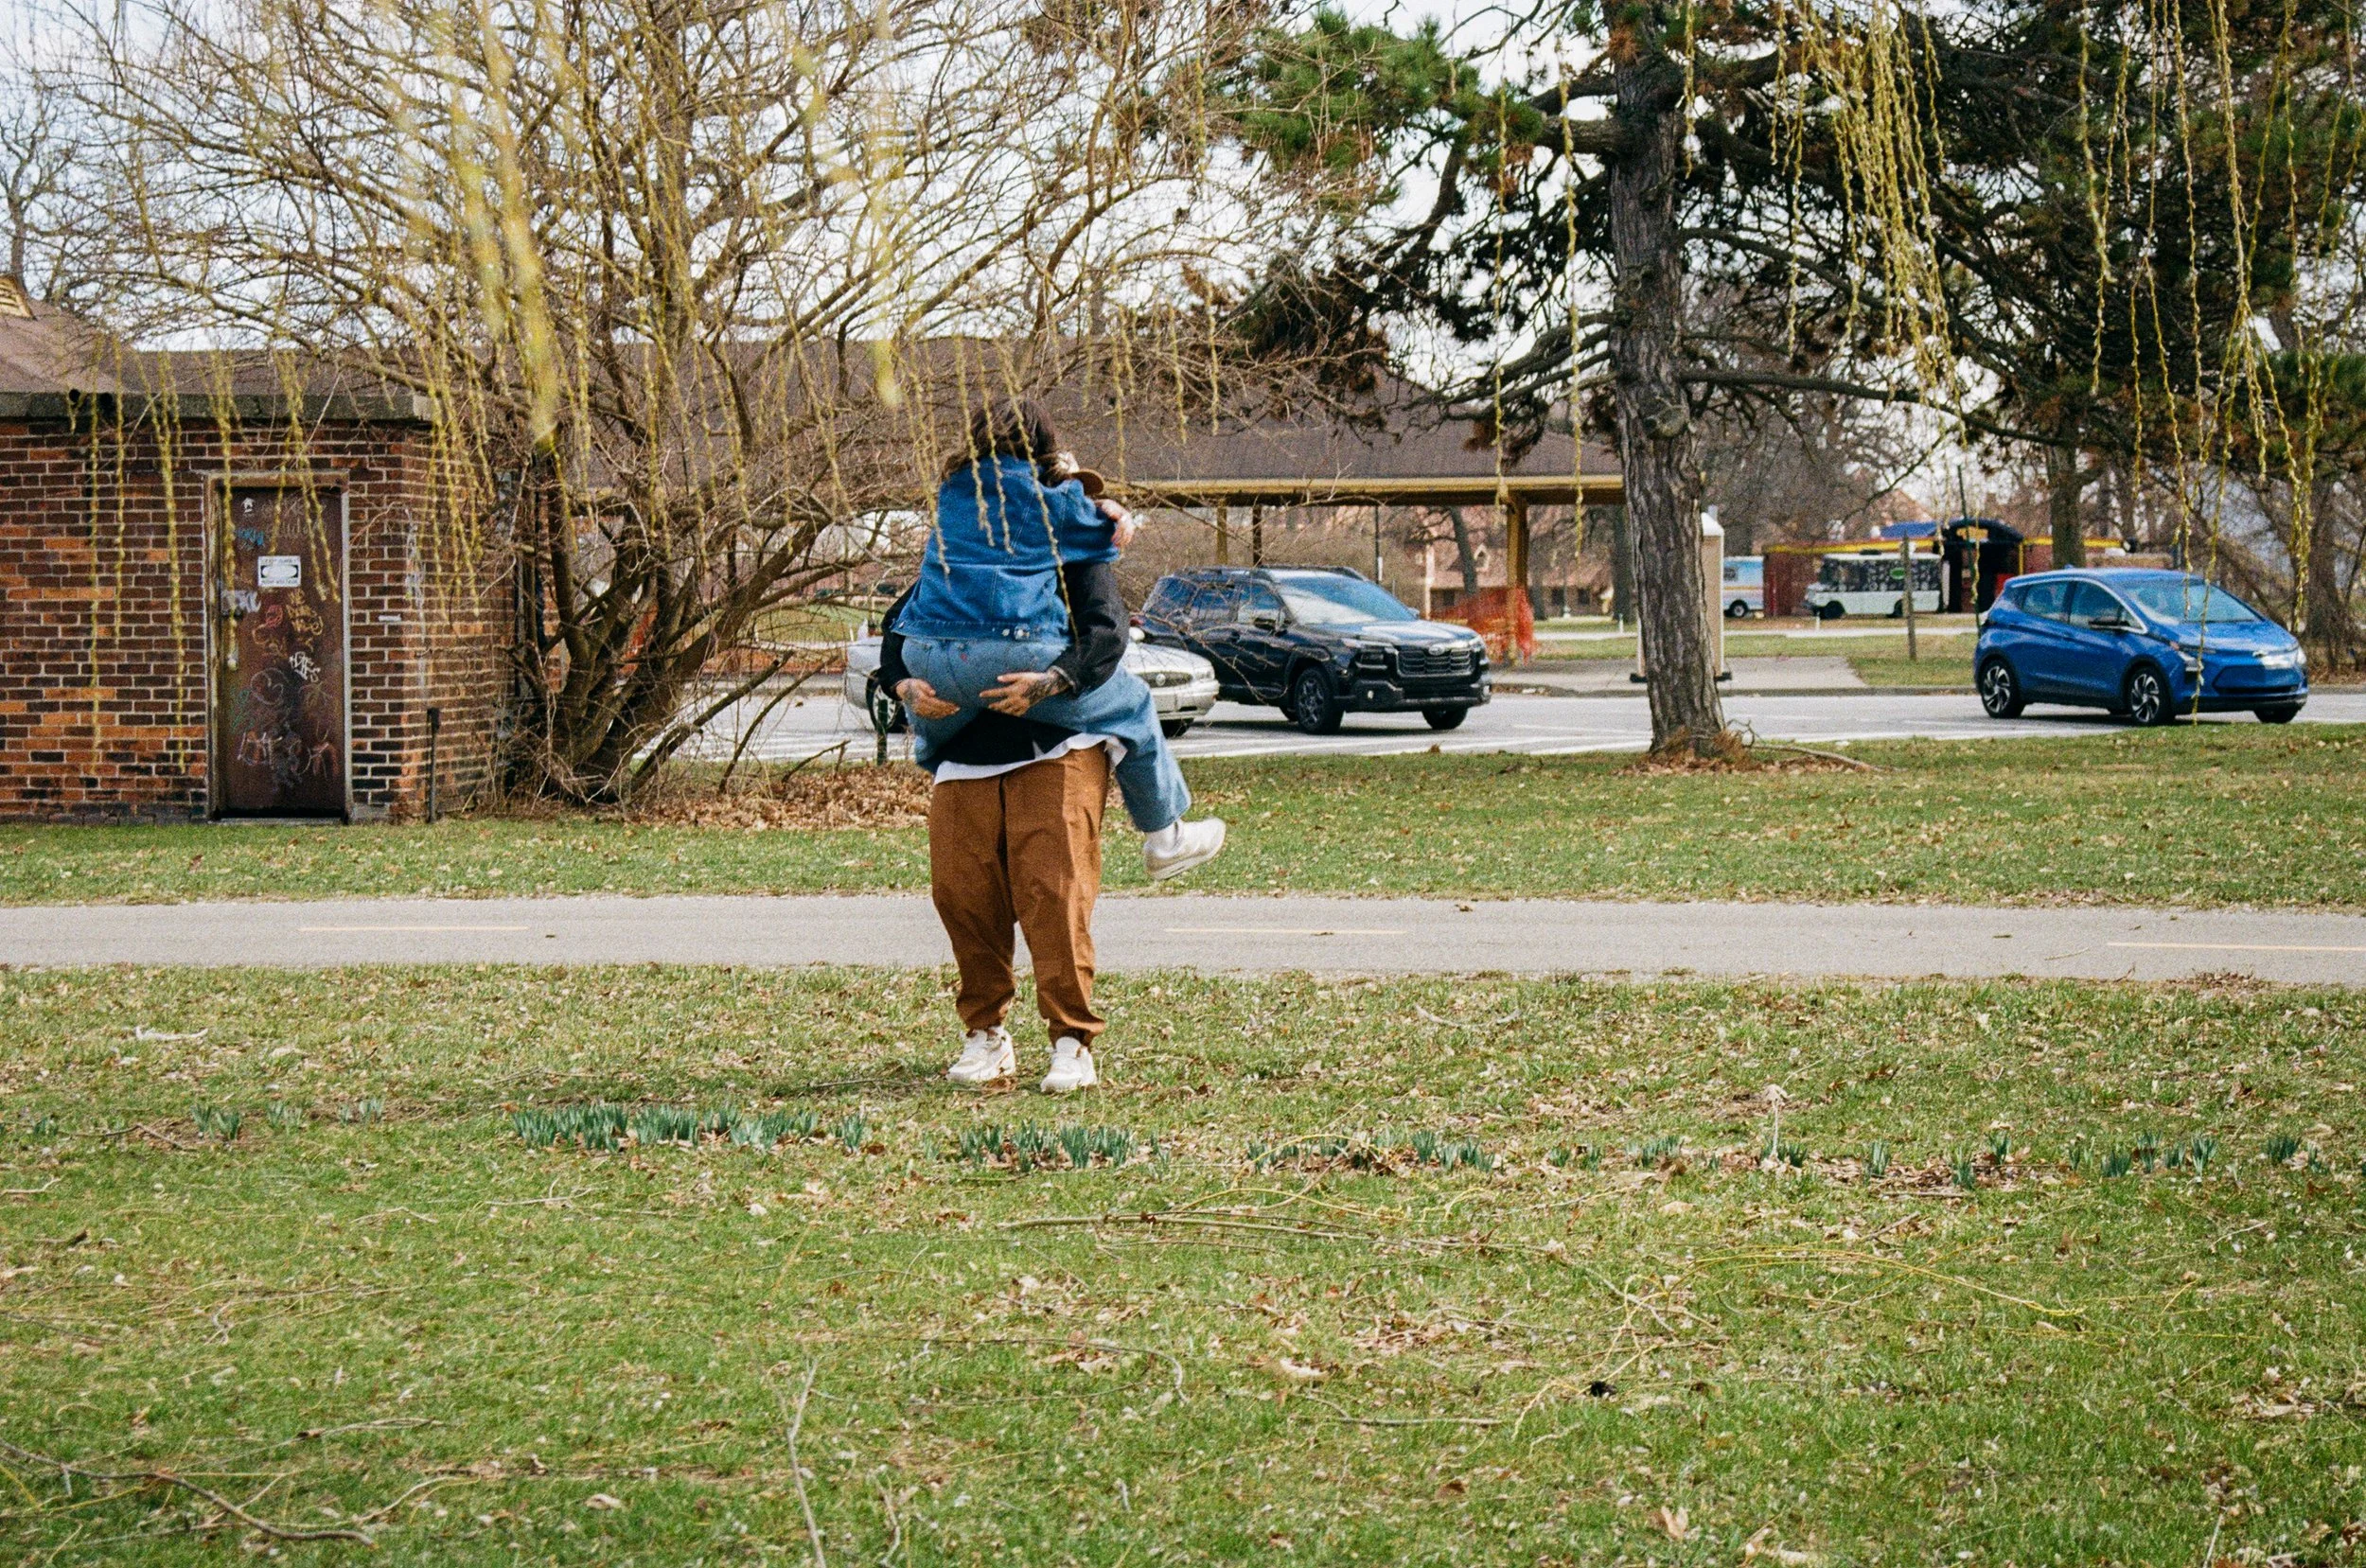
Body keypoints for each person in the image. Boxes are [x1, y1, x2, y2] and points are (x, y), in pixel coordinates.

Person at [876, 398, 1225, 1093]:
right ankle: (986, 1035)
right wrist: (904, 688)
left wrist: (1051, 682)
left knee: (1052, 893)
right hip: (966, 747)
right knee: (962, 895)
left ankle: (1072, 1041)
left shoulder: (1055, 546)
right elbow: (898, 628)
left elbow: (1106, 634)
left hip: (1055, 742)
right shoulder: (963, 547)